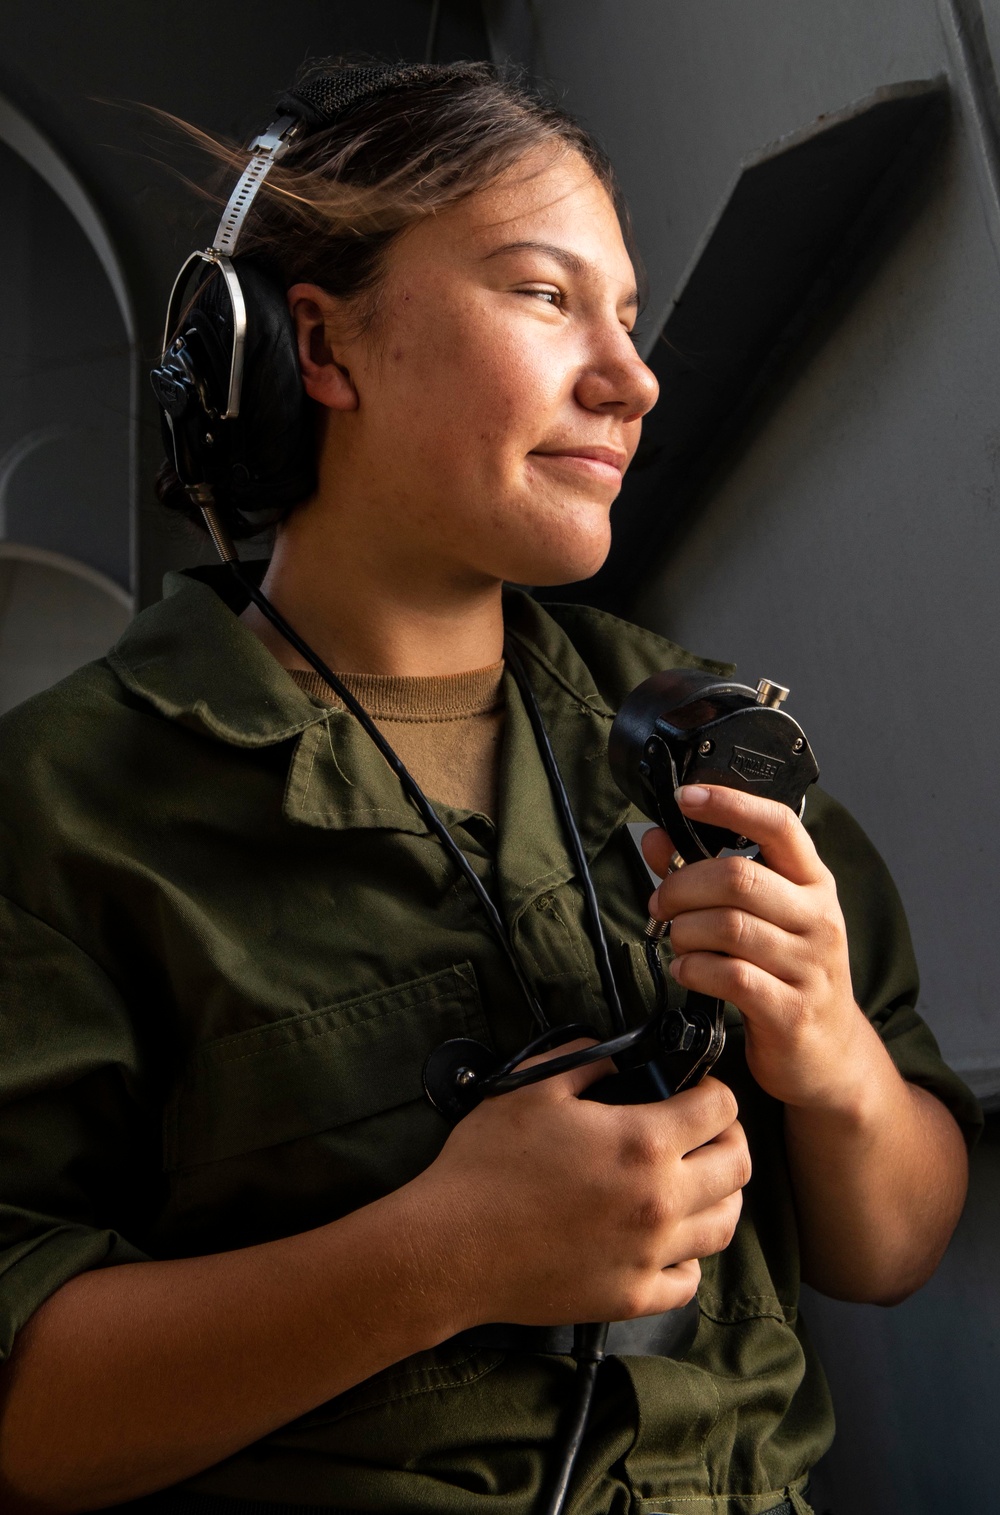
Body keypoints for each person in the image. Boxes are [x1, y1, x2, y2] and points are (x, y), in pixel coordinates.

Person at [0, 58, 980, 1515]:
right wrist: (442, 1256)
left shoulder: (703, 736)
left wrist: (830, 1051)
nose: (633, 379)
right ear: (321, 350)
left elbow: (889, 1250)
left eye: (631, 319)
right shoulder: (65, 802)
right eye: (543, 295)